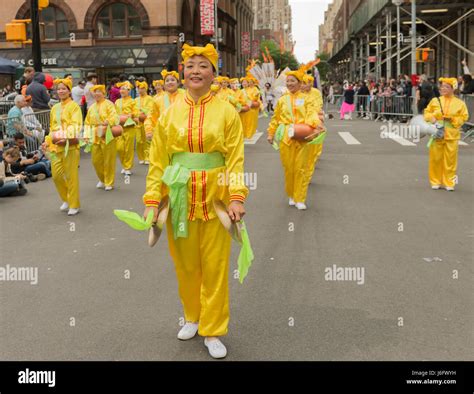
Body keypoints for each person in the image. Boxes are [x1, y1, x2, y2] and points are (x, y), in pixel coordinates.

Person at [143, 43, 248, 359]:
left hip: (215, 199)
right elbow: (158, 160)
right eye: (190, 66)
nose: (196, 71)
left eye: (203, 65)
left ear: (214, 74)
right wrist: (153, 200)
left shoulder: (227, 111)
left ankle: (213, 329)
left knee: (215, 267)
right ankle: (192, 316)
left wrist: (236, 196)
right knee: (186, 265)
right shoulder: (169, 112)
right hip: (179, 198)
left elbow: (235, 159)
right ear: (182, 72)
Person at [267, 66, 322, 210]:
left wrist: (315, 125)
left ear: (299, 82)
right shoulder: (282, 100)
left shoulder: (306, 99)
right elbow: (275, 118)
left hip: (302, 135)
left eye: (292, 81)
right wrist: (271, 133)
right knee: (289, 169)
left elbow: (311, 114)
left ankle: (300, 198)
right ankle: (291, 194)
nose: (289, 83)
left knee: (300, 168)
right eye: (288, 81)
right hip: (286, 136)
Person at [424, 78, 469, 191]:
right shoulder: (435, 101)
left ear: (453, 89)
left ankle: (450, 182)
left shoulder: (460, 103)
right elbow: (427, 112)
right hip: (437, 134)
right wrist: (432, 118)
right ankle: (435, 181)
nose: (443, 88)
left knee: (451, 161)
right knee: (435, 159)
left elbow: (464, 117)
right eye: (442, 86)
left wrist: (452, 119)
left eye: (446, 87)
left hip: (452, 135)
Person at [49, 78, 83, 215]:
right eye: (59, 89)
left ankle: (74, 204)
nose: (61, 91)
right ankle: (66, 199)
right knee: (56, 176)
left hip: (70, 146)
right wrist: (49, 139)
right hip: (55, 146)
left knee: (71, 176)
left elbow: (76, 125)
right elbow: (52, 127)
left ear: (69, 91)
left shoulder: (74, 106)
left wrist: (65, 136)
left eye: (64, 88)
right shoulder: (55, 108)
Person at [84, 85, 119, 191]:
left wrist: (108, 121)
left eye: (99, 91)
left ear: (104, 93)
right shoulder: (91, 108)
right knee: (96, 161)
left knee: (109, 160)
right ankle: (102, 178)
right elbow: (87, 122)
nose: (96, 93)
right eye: (94, 92)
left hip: (107, 135)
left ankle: (109, 182)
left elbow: (114, 116)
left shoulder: (109, 104)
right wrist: (86, 135)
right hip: (95, 136)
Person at [115, 81, 139, 176]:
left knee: (129, 148)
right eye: (121, 89)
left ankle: (127, 167)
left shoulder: (133, 101)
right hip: (119, 127)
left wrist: (130, 115)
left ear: (129, 91)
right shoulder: (117, 102)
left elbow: (136, 112)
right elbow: (114, 112)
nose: (122, 90)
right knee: (119, 148)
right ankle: (124, 164)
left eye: (124, 89)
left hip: (129, 127)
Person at [134, 80, 154, 165]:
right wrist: (135, 116)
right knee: (138, 141)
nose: (140, 90)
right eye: (139, 88)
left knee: (147, 140)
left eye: (142, 88)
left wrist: (143, 113)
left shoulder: (150, 98)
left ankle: (147, 157)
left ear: (146, 89)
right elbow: (133, 109)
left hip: (146, 122)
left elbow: (150, 109)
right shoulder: (135, 100)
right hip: (137, 123)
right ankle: (141, 157)